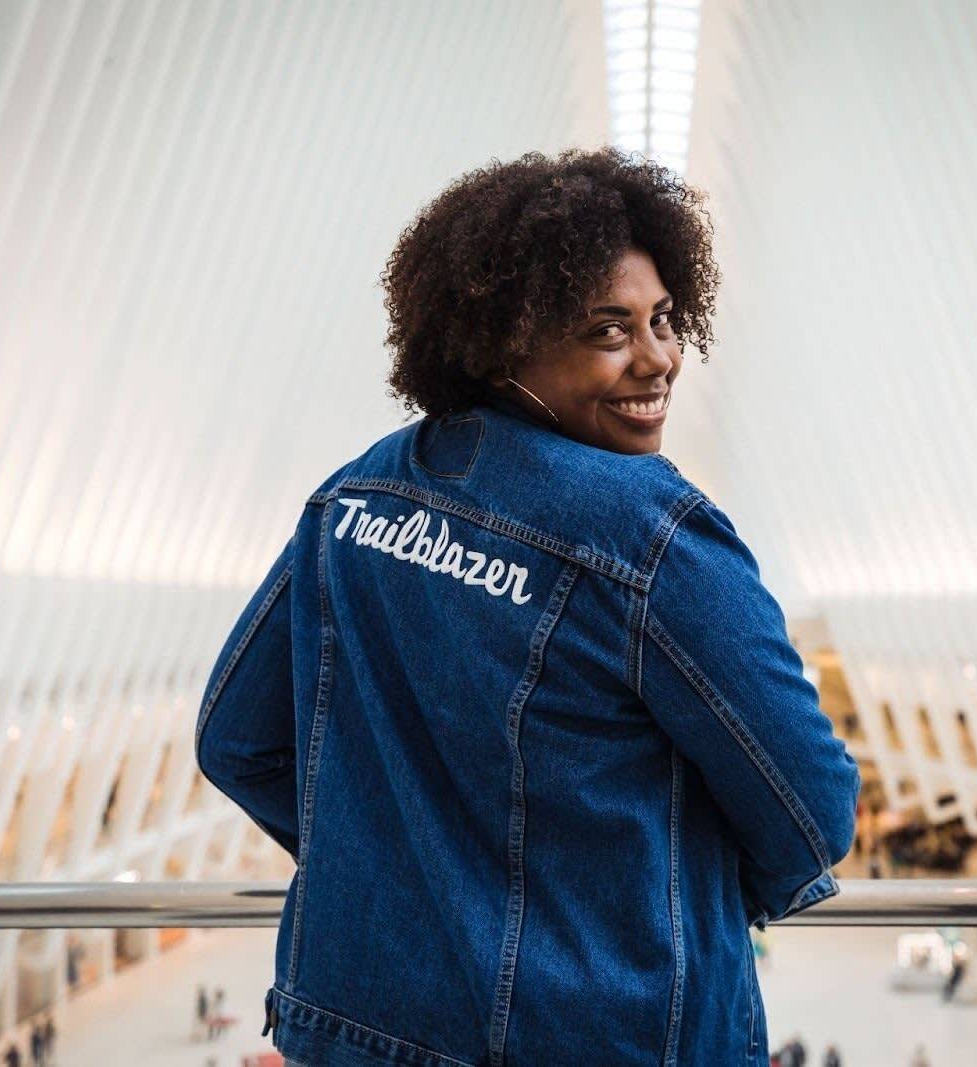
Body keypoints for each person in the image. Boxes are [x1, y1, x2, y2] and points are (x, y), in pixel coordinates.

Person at [194, 147, 862, 1067]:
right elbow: (812, 809)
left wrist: (409, 875)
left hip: (368, 1035)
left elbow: (236, 739)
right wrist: (630, 905)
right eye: (608, 330)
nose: (659, 357)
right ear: (509, 340)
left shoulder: (355, 496)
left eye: (664, 319)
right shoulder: (652, 533)